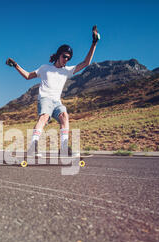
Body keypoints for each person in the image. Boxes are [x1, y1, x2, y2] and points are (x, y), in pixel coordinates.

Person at [6, 26, 100, 157]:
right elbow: (27, 76)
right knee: (44, 118)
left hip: (57, 101)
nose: (66, 59)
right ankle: (33, 147)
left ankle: (64, 148)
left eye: (69, 58)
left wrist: (94, 43)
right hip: (45, 98)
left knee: (64, 116)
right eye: (65, 56)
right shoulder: (45, 68)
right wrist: (16, 65)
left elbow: (86, 62)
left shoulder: (67, 70)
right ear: (59, 55)